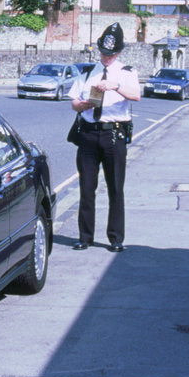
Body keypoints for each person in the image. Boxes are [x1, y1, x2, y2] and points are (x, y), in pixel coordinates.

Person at [67, 23, 141, 252]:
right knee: (87, 187)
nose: (106, 58)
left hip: (114, 134)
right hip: (89, 134)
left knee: (115, 188)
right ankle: (85, 237)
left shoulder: (127, 72)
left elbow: (136, 96)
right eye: (103, 53)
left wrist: (115, 86)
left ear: (118, 53)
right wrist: (85, 104)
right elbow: (74, 104)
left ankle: (116, 238)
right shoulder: (88, 72)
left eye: (111, 54)